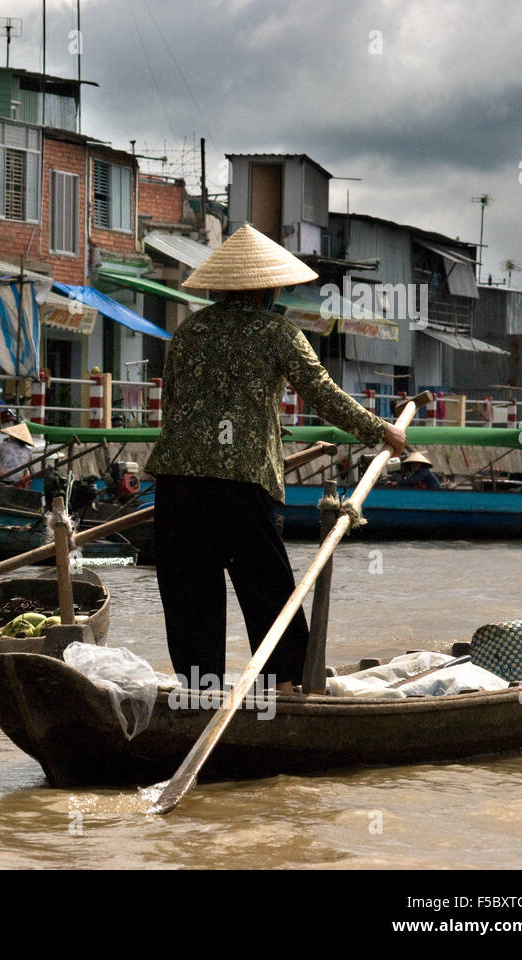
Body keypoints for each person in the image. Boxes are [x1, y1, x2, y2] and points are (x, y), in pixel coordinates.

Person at [146, 224, 406, 694]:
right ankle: (285, 684)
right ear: (265, 289)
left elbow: (178, 403)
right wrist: (381, 430)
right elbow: (323, 394)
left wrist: (254, 426)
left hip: (177, 480)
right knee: (266, 585)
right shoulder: (276, 332)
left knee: (190, 590)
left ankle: (198, 690)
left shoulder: (188, 331)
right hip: (240, 482)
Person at [0, 420, 36, 487]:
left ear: (13, 437)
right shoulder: (28, 451)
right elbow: (32, 471)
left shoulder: (3, 445)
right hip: (19, 483)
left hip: (3, 481)